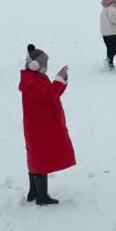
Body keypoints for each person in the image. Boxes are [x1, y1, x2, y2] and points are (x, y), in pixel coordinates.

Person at [19, 44, 76, 205]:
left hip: (41, 124)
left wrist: (62, 80)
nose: (46, 67)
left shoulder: (35, 77)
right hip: (39, 126)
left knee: (36, 156)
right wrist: (59, 78)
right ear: (35, 64)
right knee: (40, 157)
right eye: (44, 64)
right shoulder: (31, 81)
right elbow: (49, 95)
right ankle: (41, 196)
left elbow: (53, 93)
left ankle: (34, 191)